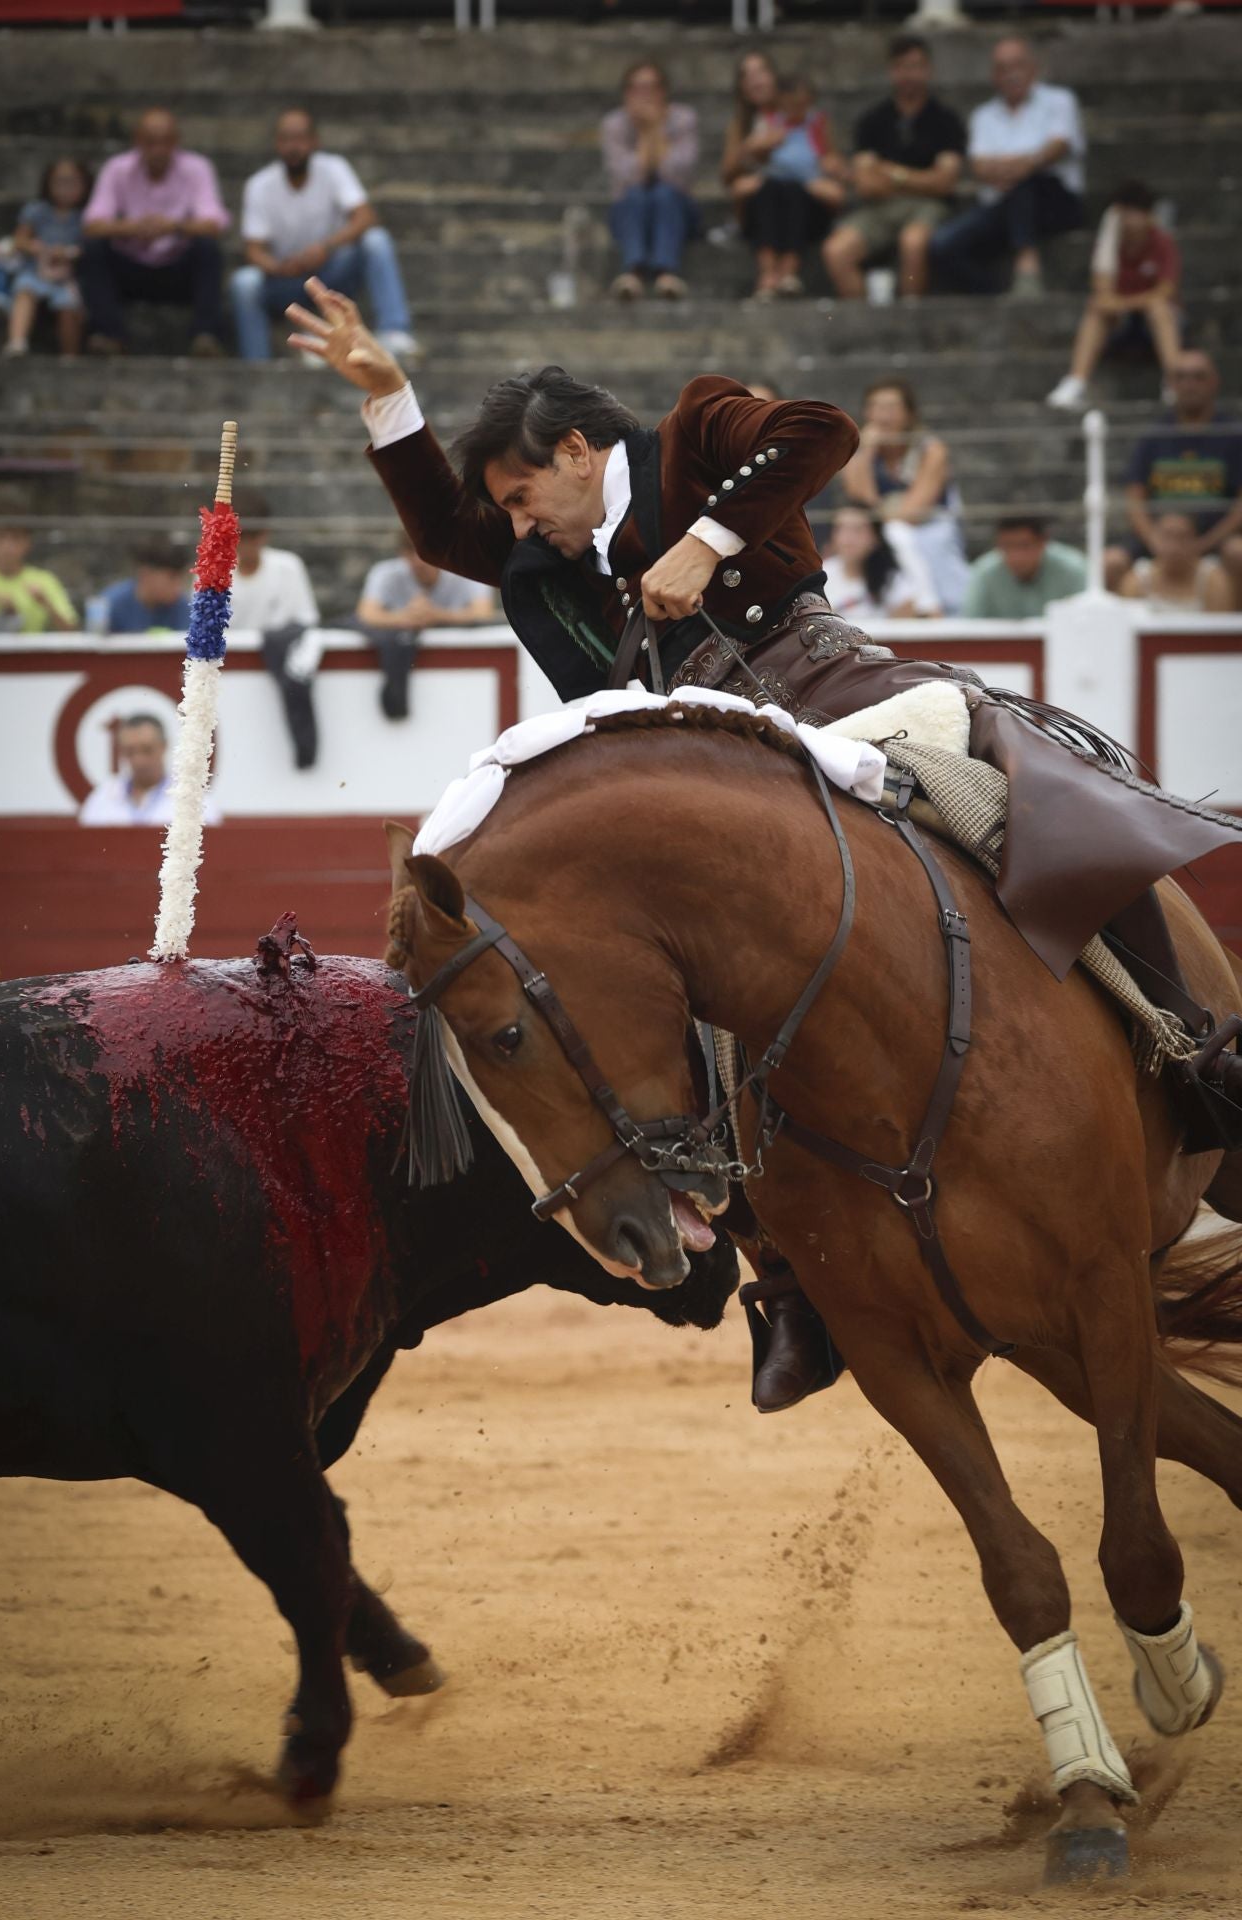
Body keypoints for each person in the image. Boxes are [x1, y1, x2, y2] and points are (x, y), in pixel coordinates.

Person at [288, 276, 1242, 1414]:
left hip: (842, 697)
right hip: (706, 772)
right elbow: (449, 533)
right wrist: (389, 396)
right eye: (505, 507)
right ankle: (786, 1277)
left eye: (522, 492)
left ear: (581, 452)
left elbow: (821, 431)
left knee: (1033, 803)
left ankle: (1195, 1053)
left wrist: (704, 539)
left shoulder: (694, 434)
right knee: (668, 1013)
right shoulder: (549, 554)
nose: (514, 521)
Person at [232, 108, 417, 362]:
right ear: (277, 144)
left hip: (331, 273)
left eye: (299, 138)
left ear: (314, 141)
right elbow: (253, 249)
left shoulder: (334, 168)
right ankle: (257, 365)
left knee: (376, 240)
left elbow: (365, 217)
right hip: (285, 280)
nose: (293, 147)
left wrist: (326, 248)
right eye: (286, 139)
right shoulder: (259, 184)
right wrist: (280, 267)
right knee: (244, 283)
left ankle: (395, 332)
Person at [930, 39, 1085, 299]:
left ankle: (1027, 267)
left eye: (1018, 65)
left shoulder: (1059, 101)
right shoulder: (984, 115)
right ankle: (996, 294)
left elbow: (1058, 147)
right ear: (994, 75)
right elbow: (980, 167)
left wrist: (1018, 167)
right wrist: (1028, 161)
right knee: (941, 246)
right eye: (1002, 68)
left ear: (1033, 68)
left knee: (1028, 184)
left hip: (1055, 203)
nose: (1011, 74)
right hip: (1001, 206)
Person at [822, 35, 965, 302]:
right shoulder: (872, 121)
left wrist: (891, 172)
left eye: (916, 66)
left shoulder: (946, 121)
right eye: (902, 66)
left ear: (928, 69)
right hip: (880, 209)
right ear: (892, 70)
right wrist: (922, 178)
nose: (909, 74)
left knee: (913, 243)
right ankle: (865, 324)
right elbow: (866, 184)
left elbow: (944, 183)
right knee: (836, 250)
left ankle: (907, 318)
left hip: (929, 207)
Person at [80, 108, 229, 356]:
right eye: (151, 142)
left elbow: (214, 223)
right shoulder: (117, 168)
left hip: (178, 270)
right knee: (93, 250)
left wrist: (174, 227)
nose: (158, 150)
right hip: (130, 267)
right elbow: (91, 224)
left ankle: (206, 336)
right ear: (137, 141)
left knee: (208, 248)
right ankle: (109, 335)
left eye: (165, 142)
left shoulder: (198, 168)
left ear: (176, 142)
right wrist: (132, 227)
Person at [1112, 350, 1242, 602]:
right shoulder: (1153, 436)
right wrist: (1155, 542)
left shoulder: (1233, 435)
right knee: (1112, 563)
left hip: (1215, 536)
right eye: (1181, 377)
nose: (1189, 384)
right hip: (1159, 539)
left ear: (1214, 382)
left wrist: (1203, 544)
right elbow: (1135, 500)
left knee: (1238, 554)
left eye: (1198, 377)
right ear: (1171, 384)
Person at [721, 55, 846, 301]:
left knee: (792, 191)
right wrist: (751, 151)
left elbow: (834, 171)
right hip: (764, 204)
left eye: (761, 72)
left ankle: (787, 270)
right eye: (747, 75)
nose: (755, 80)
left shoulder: (815, 124)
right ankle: (769, 272)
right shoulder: (750, 125)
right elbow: (729, 177)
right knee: (771, 189)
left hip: (804, 204)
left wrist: (830, 173)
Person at [1046, 184, 1181, 412]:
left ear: (1148, 216)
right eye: (1124, 213)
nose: (1130, 220)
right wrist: (1124, 304)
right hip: (1121, 323)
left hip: (1155, 322)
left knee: (1159, 309)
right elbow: (1102, 292)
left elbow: (1166, 291)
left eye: (1134, 213)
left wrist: (1127, 302)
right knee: (1096, 309)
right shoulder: (1108, 243)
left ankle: (1175, 380)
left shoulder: (1162, 242)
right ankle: (1076, 381)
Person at [840, 378, 969, 612]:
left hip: (927, 531)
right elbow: (858, 502)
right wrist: (866, 452)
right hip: (880, 532)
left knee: (899, 534)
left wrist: (880, 515)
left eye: (891, 408)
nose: (883, 416)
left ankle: (931, 606)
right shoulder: (859, 450)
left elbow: (912, 511)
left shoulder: (931, 450)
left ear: (909, 414)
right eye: (876, 408)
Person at [229, 491, 323, 770]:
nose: (243, 546)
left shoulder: (288, 568)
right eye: (237, 538)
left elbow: (307, 624)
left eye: (250, 538)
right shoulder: (212, 574)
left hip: (281, 679)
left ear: (264, 536)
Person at [356, 539, 495, 719]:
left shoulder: (465, 569)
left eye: (422, 554)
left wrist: (436, 615)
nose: (418, 562)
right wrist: (405, 618)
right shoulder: (386, 572)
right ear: (403, 555)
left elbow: (484, 613)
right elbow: (366, 615)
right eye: (410, 554)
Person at [600, 63, 699, 302]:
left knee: (664, 193)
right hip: (630, 209)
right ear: (626, 93)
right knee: (636, 194)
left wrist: (655, 129)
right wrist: (647, 134)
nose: (644, 95)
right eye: (637, 88)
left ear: (663, 91)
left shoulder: (684, 118)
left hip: (677, 209)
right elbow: (629, 177)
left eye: (651, 87)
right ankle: (633, 271)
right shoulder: (613, 123)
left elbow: (677, 175)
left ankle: (666, 272)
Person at [3, 158, 91, 360]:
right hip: (36, 271)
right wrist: (37, 247)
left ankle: (70, 355)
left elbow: (90, 248)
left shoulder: (86, 216)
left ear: (85, 185)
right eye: (59, 182)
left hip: (68, 277)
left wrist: (69, 253)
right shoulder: (36, 210)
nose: (65, 189)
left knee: (69, 305)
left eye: (72, 183)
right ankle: (17, 341)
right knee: (24, 291)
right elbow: (19, 240)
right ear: (47, 184)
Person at [79, 712, 221, 827]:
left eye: (147, 750)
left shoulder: (194, 800)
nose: (138, 760)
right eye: (130, 751)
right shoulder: (101, 799)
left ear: (164, 746)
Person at [821, 504, 939, 619]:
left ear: (875, 537)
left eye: (857, 530)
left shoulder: (891, 579)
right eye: (840, 529)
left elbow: (916, 614)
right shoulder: (822, 574)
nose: (848, 539)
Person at [961, 516, 1088, 619]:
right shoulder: (984, 574)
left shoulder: (1073, 569)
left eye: (1024, 546)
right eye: (1008, 546)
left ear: (1043, 543)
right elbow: (969, 625)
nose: (1016, 557)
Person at [0, 523, 76, 633]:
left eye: (16, 538)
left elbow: (70, 629)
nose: (7, 546)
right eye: (0, 537)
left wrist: (45, 602)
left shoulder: (44, 580)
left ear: (28, 543)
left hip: (32, 651)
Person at [1117, 509, 1232, 613]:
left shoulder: (1213, 580)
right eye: (1167, 537)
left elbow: (1219, 630)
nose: (1174, 547)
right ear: (1154, 539)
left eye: (1182, 538)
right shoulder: (1136, 581)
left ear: (1195, 540)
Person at [92, 542, 191, 635]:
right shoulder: (110, 605)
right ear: (146, 574)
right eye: (171, 578)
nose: (178, 587)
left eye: (181, 579)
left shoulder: (182, 607)